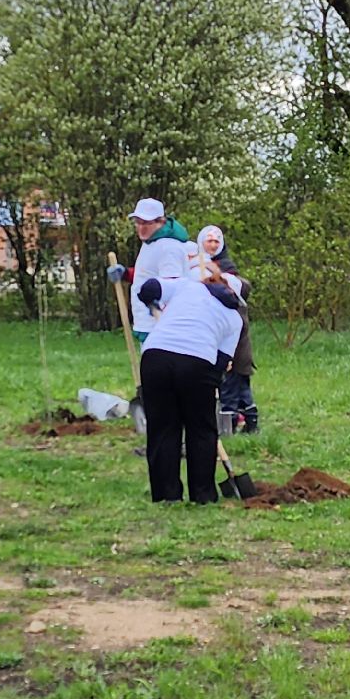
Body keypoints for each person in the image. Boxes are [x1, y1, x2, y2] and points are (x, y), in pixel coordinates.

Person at [134, 262, 244, 503]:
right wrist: (209, 385)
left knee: (163, 427)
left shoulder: (187, 287)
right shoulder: (235, 320)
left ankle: (166, 495)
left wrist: (153, 305)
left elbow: (148, 287)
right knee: (201, 429)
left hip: (155, 357)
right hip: (196, 362)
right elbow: (222, 362)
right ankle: (202, 495)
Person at [199, 225, 259, 434]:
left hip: (233, 346)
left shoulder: (228, 274)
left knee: (232, 386)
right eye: (209, 241)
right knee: (239, 386)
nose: (213, 245)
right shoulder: (193, 266)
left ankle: (231, 422)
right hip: (227, 343)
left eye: (217, 241)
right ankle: (250, 421)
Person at [106, 198, 192, 342]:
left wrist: (161, 320)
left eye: (146, 223)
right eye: (138, 222)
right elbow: (147, 275)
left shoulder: (169, 247)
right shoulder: (151, 242)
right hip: (146, 323)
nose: (141, 227)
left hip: (161, 327)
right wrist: (126, 274)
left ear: (161, 222)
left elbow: (172, 287)